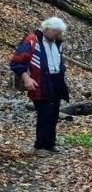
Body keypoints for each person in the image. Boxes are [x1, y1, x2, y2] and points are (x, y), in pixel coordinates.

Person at [9, 18, 70, 156]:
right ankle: (40, 146)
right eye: (55, 31)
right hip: (40, 82)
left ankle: (50, 144)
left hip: (56, 81)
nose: (57, 34)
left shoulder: (57, 42)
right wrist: (26, 78)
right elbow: (17, 62)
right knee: (45, 113)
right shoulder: (32, 40)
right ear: (46, 28)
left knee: (54, 114)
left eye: (59, 32)